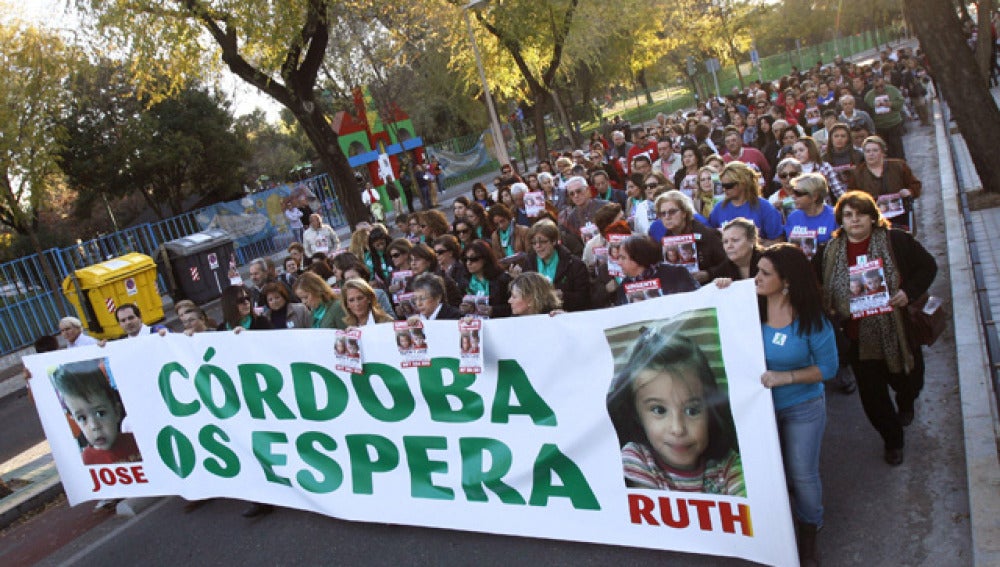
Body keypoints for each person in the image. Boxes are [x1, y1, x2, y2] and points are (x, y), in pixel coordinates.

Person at [719, 244, 838, 566]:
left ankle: (810, 527)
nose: (755, 277)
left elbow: (828, 369)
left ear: (786, 281)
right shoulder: (746, 306)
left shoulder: (812, 320)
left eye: (764, 273)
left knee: (802, 473)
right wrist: (721, 292)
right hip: (757, 410)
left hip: (803, 406)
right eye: (757, 270)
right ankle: (776, 527)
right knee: (768, 472)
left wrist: (787, 378)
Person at [818, 191, 937, 466]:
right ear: (840, 221)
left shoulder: (896, 240)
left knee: (909, 381)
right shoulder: (830, 252)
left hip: (899, 330)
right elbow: (816, 284)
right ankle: (892, 440)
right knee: (873, 399)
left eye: (860, 213)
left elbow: (928, 267)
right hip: (857, 337)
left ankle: (907, 402)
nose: (854, 219)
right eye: (848, 215)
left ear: (873, 216)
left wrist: (908, 292)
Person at [605, 329, 743, 495]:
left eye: (692, 411)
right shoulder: (638, 460)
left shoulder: (727, 466)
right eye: (659, 410)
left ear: (710, 411)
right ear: (637, 415)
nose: (677, 429)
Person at [52, 360, 141, 465]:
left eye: (100, 413)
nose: (94, 426)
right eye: (82, 418)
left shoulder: (138, 443)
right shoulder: (85, 462)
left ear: (116, 411)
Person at [649, 191, 727, 285]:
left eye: (672, 212)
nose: (667, 217)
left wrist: (709, 274)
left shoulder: (708, 235)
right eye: (663, 213)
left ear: (684, 213)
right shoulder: (663, 243)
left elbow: (729, 264)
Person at [513, 219, 591, 312]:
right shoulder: (529, 263)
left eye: (542, 241)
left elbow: (584, 299)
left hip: (565, 317)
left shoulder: (575, 264)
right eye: (534, 243)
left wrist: (563, 296)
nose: (538, 246)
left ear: (554, 241)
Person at [709, 161, 784, 244]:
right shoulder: (719, 208)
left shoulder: (764, 207)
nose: (724, 189)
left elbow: (779, 241)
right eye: (722, 186)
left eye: (728, 186)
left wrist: (755, 243)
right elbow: (711, 238)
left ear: (743, 183)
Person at [614, 235, 699, 305]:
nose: (619, 263)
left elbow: (695, 301)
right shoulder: (623, 287)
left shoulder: (676, 274)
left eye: (623, 258)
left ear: (638, 258)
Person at [784, 173, 838, 255]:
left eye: (798, 193)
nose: (793, 196)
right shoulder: (793, 217)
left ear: (814, 196)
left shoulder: (835, 217)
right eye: (793, 192)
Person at [460, 240, 512, 318]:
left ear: (485, 259)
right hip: (471, 325)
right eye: (466, 259)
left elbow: (512, 307)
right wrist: (462, 309)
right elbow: (454, 307)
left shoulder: (503, 280)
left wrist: (493, 311)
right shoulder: (464, 281)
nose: (468, 263)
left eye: (473, 259)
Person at [789, 136, 846, 201]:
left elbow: (837, 190)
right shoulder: (792, 169)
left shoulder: (825, 166)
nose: (798, 154)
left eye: (801, 150)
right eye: (795, 152)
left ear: (811, 149)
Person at [864, 74, 906, 160]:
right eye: (876, 87)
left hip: (894, 124)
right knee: (885, 149)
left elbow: (901, 102)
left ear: (884, 83)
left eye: (881, 86)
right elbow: (867, 111)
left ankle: (901, 164)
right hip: (880, 126)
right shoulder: (869, 96)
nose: (879, 88)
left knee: (897, 147)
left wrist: (891, 104)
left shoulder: (892, 90)